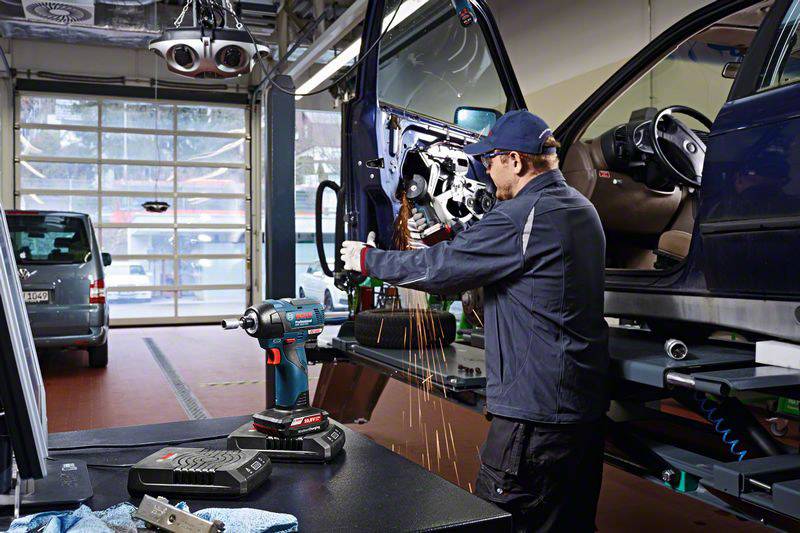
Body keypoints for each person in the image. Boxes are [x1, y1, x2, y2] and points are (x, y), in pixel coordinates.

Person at [340, 110, 609, 532]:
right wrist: (451, 239)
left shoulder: (521, 215)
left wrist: (367, 259)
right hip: (582, 411)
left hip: (533, 418)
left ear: (515, 161)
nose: (484, 169)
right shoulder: (581, 209)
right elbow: (520, 269)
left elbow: (438, 270)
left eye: (489, 159)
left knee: (499, 522)